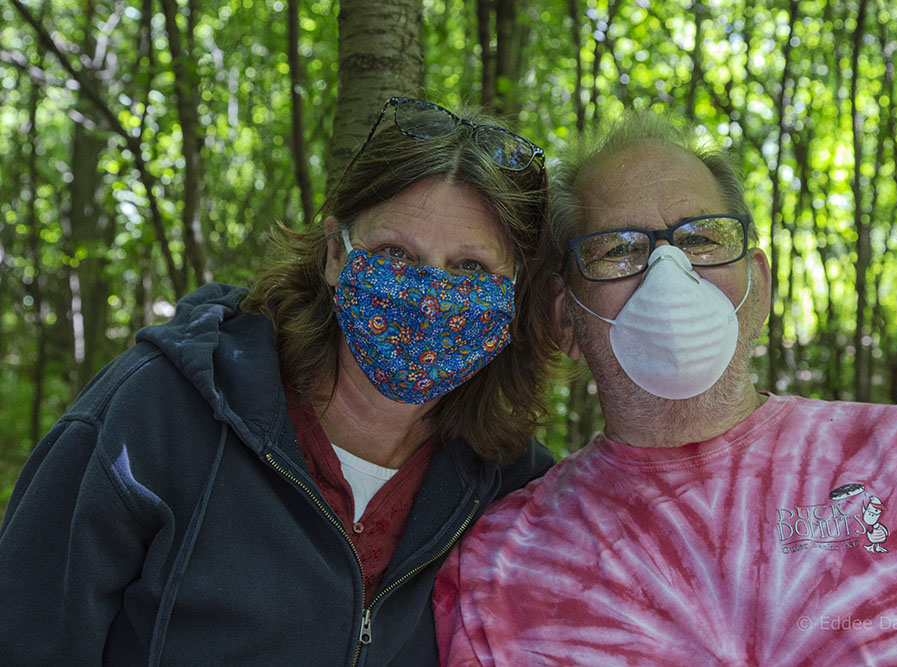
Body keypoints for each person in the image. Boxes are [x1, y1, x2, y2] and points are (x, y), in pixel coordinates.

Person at [0, 97, 557, 665]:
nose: (429, 292)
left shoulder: (513, 488)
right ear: (335, 254)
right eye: (396, 252)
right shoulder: (155, 411)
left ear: (513, 292)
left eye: (470, 268)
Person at [434, 111, 897, 664]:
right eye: (618, 249)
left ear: (757, 285)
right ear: (565, 319)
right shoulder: (499, 571)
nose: (668, 272)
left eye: (702, 238)